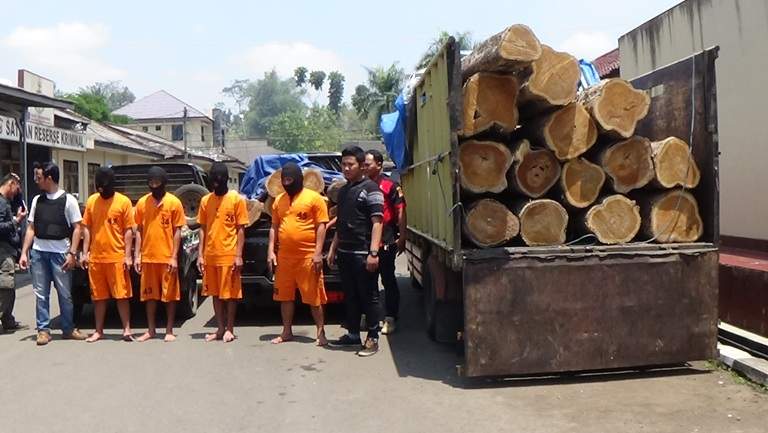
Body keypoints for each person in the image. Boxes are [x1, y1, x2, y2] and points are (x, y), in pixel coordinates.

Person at [19, 162, 87, 345]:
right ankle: (43, 331)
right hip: (39, 253)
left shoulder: (69, 200)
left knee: (65, 294)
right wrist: (24, 253)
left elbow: (77, 229)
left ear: (49, 178)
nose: (36, 180)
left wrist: (72, 254)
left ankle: (68, 328)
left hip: (60, 254)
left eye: (38, 177)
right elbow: (31, 228)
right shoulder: (36, 200)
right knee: (41, 294)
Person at [327, 145, 384, 357]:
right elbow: (342, 222)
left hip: (363, 254)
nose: (346, 168)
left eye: (350, 164)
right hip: (345, 253)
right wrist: (333, 248)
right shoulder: (343, 191)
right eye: (343, 164)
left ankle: (372, 337)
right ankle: (352, 335)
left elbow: (377, 223)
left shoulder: (371, 189)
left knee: (369, 296)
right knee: (350, 296)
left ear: (361, 166)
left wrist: (373, 253)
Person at [267, 162, 329, 346]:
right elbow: (274, 226)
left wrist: (318, 253)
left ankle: (321, 332)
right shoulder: (279, 200)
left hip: (307, 257)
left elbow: (321, 226)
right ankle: (286, 331)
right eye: (284, 180)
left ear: (298, 179)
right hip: (284, 258)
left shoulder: (314, 198)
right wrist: (271, 250)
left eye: (290, 179)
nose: (287, 183)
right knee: (284, 297)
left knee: (314, 297)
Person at [80, 166, 136, 342]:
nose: (101, 190)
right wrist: (85, 252)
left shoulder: (123, 202)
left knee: (122, 295)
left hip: (117, 257)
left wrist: (128, 256)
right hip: (96, 258)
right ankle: (98, 331)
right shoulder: (92, 201)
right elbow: (87, 228)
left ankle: (127, 330)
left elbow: (128, 231)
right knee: (98, 297)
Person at [197, 162, 248, 343]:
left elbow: (240, 229)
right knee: (215, 294)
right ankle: (219, 328)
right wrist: (201, 255)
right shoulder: (205, 201)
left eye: (219, 179)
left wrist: (238, 255)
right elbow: (203, 228)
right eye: (213, 179)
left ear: (226, 179)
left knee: (230, 295)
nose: (216, 183)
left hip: (229, 254)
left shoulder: (236, 200)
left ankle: (230, 329)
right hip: (211, 255)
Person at [133, 167, 186, 342]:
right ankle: (151, 330)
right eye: (151, 183)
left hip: (166, 257)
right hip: (148, 257)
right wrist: (137, 255)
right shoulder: (142, 203)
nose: (154, 185)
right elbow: (139, 231)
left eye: (157, 182)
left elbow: (177, 231)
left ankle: (169, 330)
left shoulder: (174, 203)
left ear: (164, 182)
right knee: (149, 296)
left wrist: (173, 257)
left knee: (169, 296)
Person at [364, 149, 407, 335]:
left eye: (368, 164)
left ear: (379, 165)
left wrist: (403, 237)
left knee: (388, 280)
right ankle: (371, 315)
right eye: (363, 164)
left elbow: (400, 212)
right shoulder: (362, 186)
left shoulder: (390, 185)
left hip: (387, 239)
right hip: (366, 240)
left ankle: (391, 317)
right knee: (368, 281)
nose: (365, 167)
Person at [0, 173, 26, 333]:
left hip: (8, 250)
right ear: (10, 184)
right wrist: (15, 221)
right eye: (16, 188)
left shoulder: (6, 201)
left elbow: (20, 204)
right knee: (5, 286)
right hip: (2, 251)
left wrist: (20, 193)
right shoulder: (1, 203)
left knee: (9, 287)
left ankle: (8, 320)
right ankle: (5, 317)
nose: (17, 192)